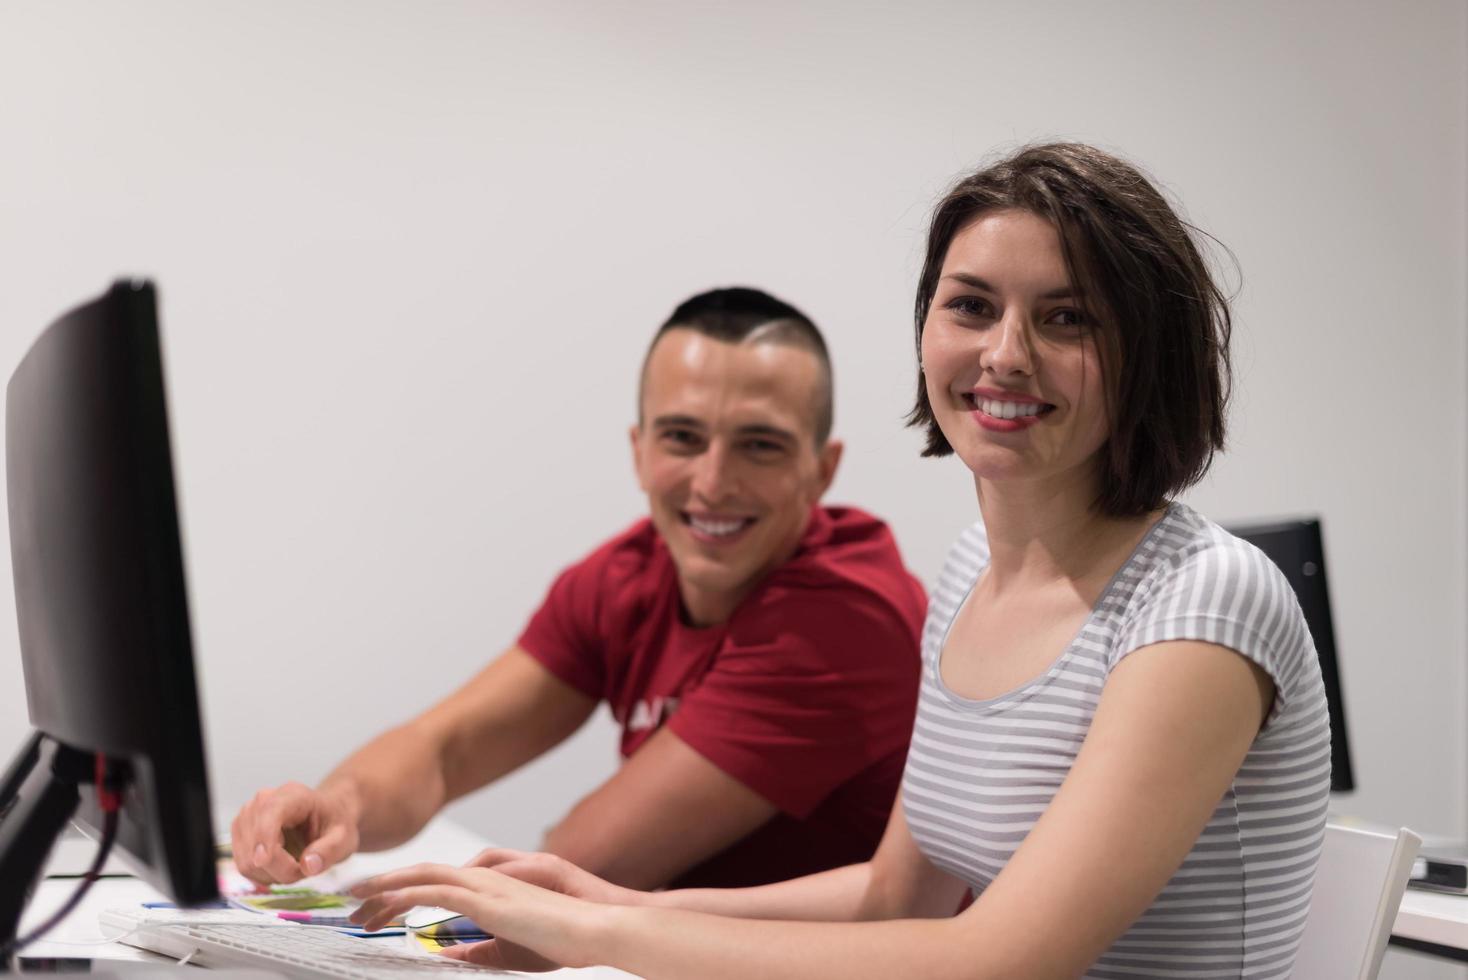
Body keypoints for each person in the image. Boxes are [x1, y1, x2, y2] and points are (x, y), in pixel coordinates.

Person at [348, 144, 1332, 979]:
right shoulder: (968, 574)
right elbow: (894, 893)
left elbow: (998, 958)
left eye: (1066, 317)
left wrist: (608, 928)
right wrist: (604, 902)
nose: (1005, 353)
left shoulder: (1205, 597)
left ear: (1147, 354)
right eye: (971, 306)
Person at [230, 287, 927, 891]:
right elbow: (444, 752)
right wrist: (338, 807)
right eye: (683, 437)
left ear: (823, 469)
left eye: (760, 445)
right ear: (639, 450)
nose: (714, 482)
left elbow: (584, 865)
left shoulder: (845, 620)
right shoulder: (627, 574)